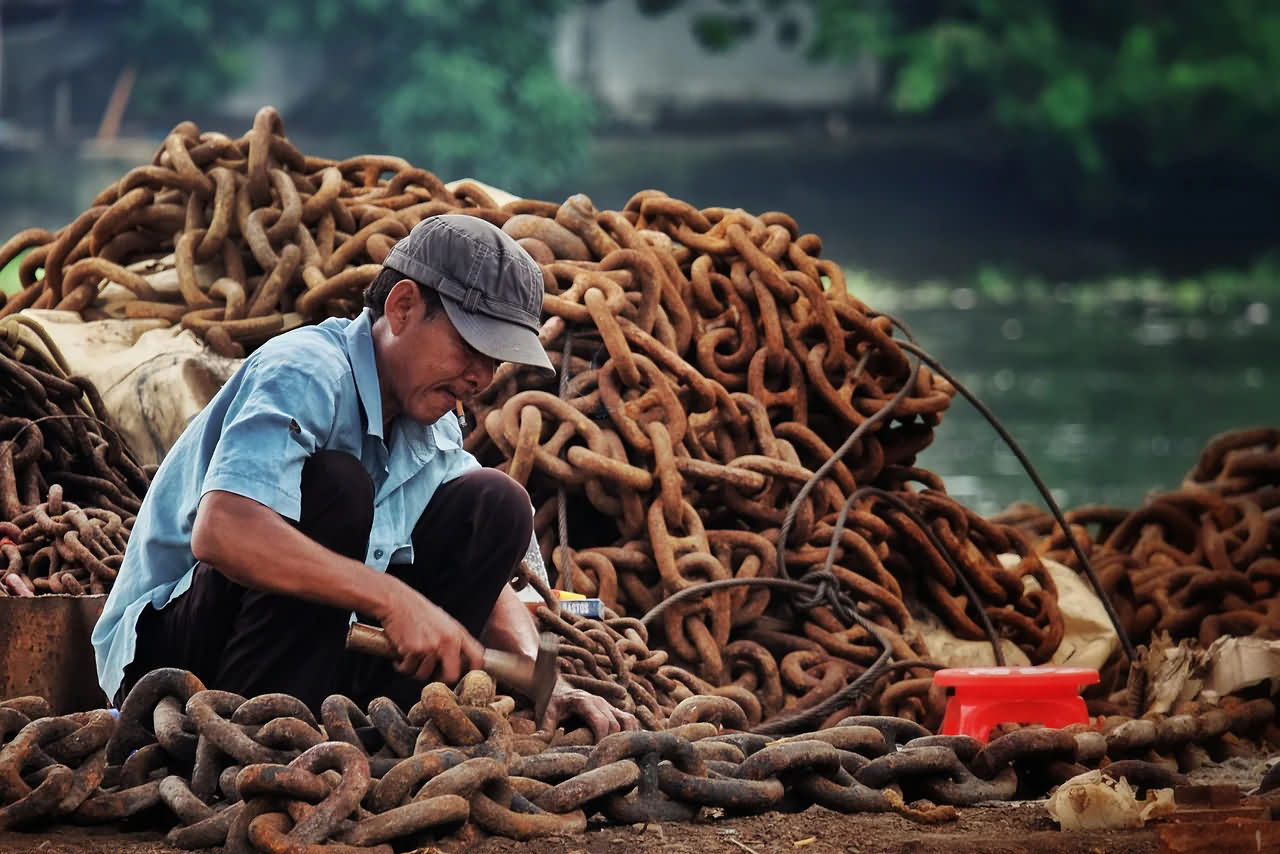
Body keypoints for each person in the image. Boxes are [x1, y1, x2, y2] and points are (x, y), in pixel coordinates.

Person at [92, 214, 636, 737]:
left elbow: (493, 583)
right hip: (174, 657)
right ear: (402, 307)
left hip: (316, 652)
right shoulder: (306, 371)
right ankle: (258, 735)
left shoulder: (432, 426)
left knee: (496, 504)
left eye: (495, 361)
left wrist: (544, 678)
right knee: (337, 489)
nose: (481, 377)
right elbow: (223, 531)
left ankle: (377, 728)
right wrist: (393, 600)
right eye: (472, 348)